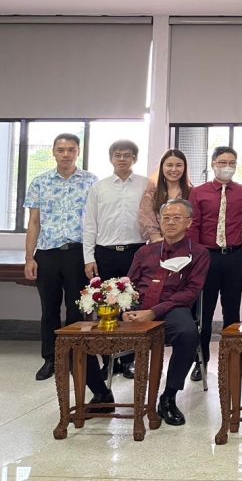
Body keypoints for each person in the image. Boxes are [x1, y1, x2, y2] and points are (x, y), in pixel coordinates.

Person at [24, 133, 113, 406]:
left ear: (78, 152)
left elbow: (97, 220)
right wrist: (29, 258)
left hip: (78, 253)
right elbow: (34, 223)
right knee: (49, 309)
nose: (65, 154)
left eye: (70, 150)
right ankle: (51, 358)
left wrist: (92, 256)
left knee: (78, 310)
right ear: (53, 152)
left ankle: (78, 355)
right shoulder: (40, 182)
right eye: (61, 149)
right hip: (47, 253)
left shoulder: (91, 181)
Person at [123, 199, 209, 426]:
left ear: (188, 222)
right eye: (166, 218)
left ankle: (169, 396)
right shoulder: (145, 251)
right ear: (159, 221)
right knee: (87, 334)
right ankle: (100, 392)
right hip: (140, 306)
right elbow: (129, 284)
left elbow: (191, 292)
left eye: (177, 218)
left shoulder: (198, 253)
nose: (170, 222)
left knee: (188, 334)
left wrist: (154, 312)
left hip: (172, 306)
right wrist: (126, 309)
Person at [188, 146, 242, 381]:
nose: (227, 167)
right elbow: (194, 226)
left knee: (232, 311)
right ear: (213, 164)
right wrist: (194, 258)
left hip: (234, 257)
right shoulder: (199, 192)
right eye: (222, 162)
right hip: (206, 257)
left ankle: (233, 359)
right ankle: (200, 361)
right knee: (204, 313)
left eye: (231, 163)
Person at [83, 139, 148, 379]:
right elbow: (90, 224)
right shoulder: (98, 188)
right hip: (106, 253)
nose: (122, 159)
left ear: (134, 158)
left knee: (132, 305)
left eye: (127, 155)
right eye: (117, 155)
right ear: (111, 158)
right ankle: (109, 359)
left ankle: (129, 359)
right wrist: (89, 257)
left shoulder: (145, 184)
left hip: (136, 252)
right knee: (106, 306)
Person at [138, 150, 191, 243]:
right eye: (169, 165)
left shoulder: (192, 192)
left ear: (184, 167)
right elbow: (147, 219)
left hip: (186, 244)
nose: (174, 169)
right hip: (158, 244)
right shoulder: (151, 193)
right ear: (162, 167)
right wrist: (157, 239)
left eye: (178, 165)